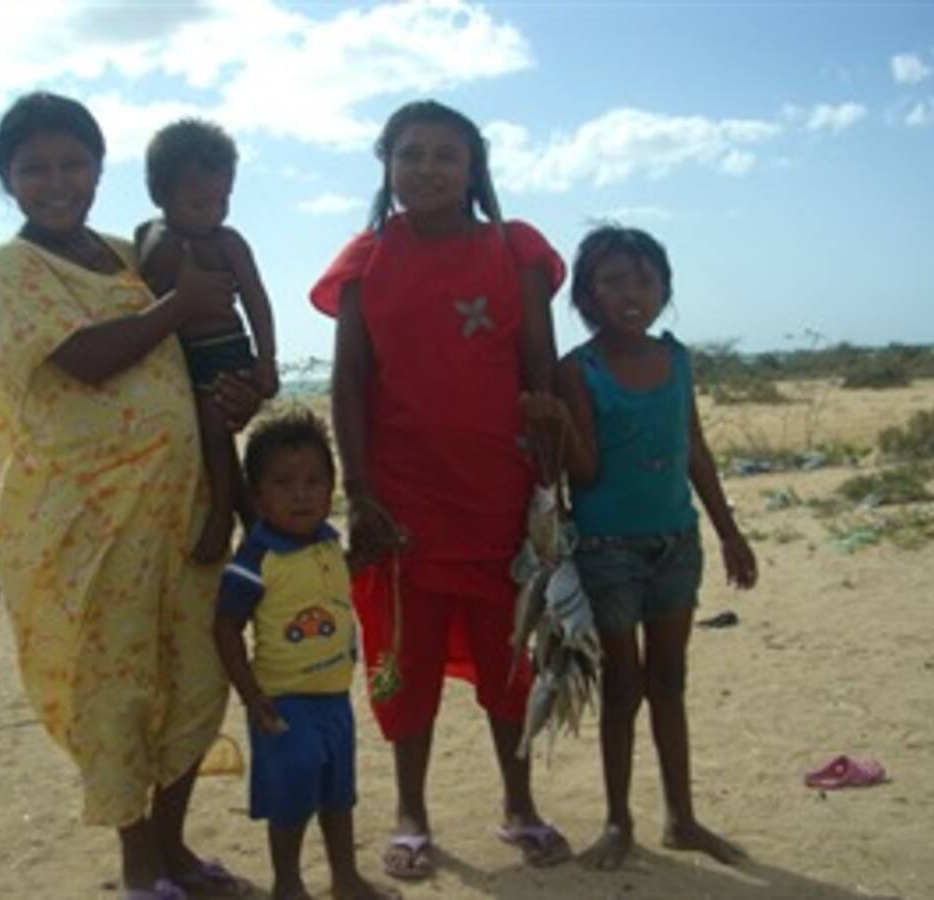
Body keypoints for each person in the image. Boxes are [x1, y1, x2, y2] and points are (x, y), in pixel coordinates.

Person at [0, 92, 259, 900]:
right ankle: (139, 866)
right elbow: (86, 360)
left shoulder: (130, 255)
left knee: (195, 678)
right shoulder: (14, 269)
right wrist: (178, 307)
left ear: (101, 170)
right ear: (9, 180)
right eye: (35, 168)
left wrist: (236, 415)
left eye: (73, 164)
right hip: (83, 528)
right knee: (114, 688)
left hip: (182, 512)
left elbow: (201, 358)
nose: (57, 182)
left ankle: (175, 849)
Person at [309, 99, 571, 880]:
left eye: (445, 155)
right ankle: (411, 812)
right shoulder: (366, 260)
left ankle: (518, 805)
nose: (427, 169)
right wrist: (358, 491)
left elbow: (541, 371)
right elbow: (349, 382)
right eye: (410, 154)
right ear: (387, 165)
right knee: (406, 661)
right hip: (402, 501)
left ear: (474, 167)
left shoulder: (514, 249)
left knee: (511, 658)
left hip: (500, 494)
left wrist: (550, 488)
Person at [525, 224, 758, 871]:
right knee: (624, 685)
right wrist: (563, 424)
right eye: (614, 281)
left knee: (671, 680)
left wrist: (729, 532)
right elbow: (588, 473)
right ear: (588, 297)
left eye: (646, 280)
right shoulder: (580, 369)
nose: (632, 293)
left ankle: (682, 818)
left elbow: (697, 451)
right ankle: (618, 820)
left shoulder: (677, 359)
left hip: (676, 543)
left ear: (665, 289)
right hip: (607, 550)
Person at [212, 408, 400, 900]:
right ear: (257, 495)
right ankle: (289, 886)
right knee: (290, 802)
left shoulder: (326, 542)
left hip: (334, 698)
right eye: (284, 482)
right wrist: (251, 696)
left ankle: (345, 878)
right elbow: (226, 627)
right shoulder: (254, 559)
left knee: (339, 796)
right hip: (284, 703)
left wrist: (371, 556)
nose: (302, 494)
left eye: (315, 481)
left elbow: (333, 582)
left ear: (332, 486)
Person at [135, 118, 279, 564]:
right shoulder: (152, 236)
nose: (215, 211)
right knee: (201, 433)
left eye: (223, 199)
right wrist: (165, 237)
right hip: (182, 358)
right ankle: (246, 513)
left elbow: (257, 299)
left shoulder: (228, 243)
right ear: (162, 196)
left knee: (216, 433)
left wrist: (266, 359)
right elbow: (149, 260)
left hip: (223, 348)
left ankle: (223, 514)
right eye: (200, 203)